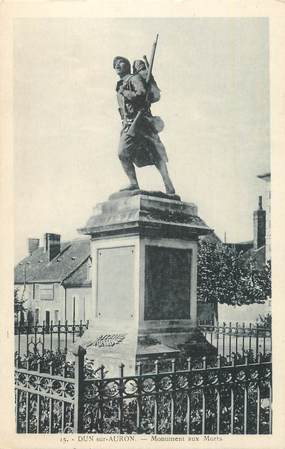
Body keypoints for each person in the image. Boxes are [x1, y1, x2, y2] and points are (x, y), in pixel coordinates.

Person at [113, 56, 175, 194]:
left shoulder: (133, 79)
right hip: (129, 124)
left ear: (127, 66)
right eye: (115, 64)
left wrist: (125, 92)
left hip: (141, 121)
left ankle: (168, 184)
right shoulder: (121, 84)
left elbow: (141, 94)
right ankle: (134, 183)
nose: (117, 65)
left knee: (155, 153)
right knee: (123, 153)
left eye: (120, 63)